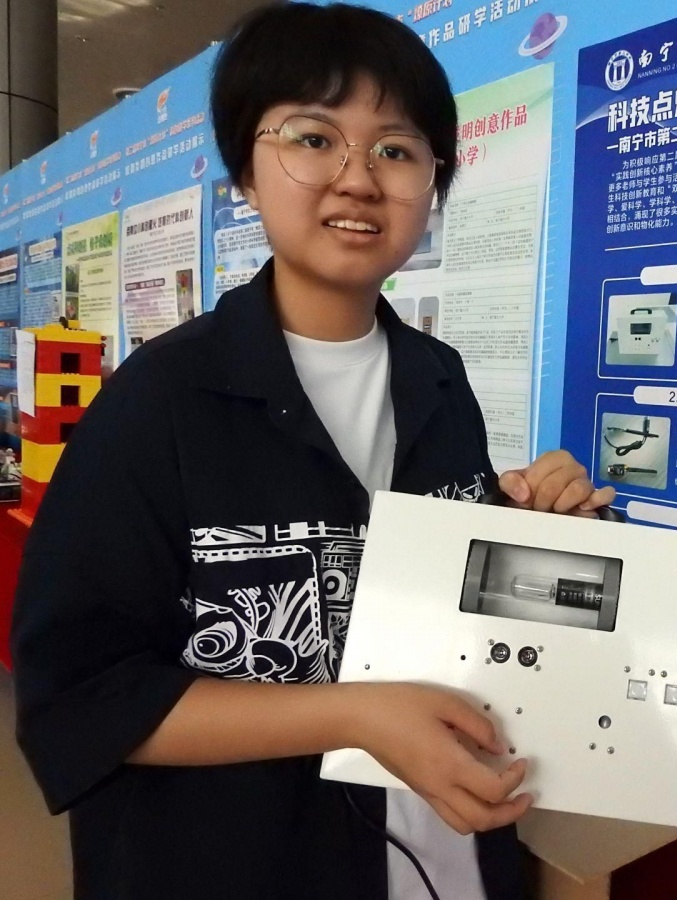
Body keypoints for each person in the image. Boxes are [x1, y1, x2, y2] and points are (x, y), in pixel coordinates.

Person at [11, 4, 613, 899]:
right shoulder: (158, 403)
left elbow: (454, 600)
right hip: (238, 861)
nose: (357, 179)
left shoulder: (439, 378)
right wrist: (354, 716)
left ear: (433, 183)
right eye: (314, 138)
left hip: (441, 847)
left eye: (397, 150)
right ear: (246, 175)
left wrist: (533, 529)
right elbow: (84, 700)